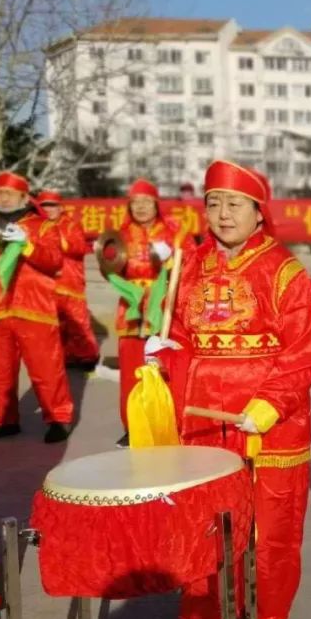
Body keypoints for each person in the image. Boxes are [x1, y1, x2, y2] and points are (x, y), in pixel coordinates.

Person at [145, 160, 311, 619]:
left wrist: (269, 405)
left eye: (234, 205)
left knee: (273, 526)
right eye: (214, 203)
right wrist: (164, 356)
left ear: (258, 213)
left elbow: (304, 353)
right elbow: (179, 332)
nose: (222, 214)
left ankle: (268, 615)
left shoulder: (286, 271)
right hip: (202, 418)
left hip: (269, 421)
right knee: (202, 526)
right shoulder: (189, 264)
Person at [0, 171, 73, 443]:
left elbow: (54, 261)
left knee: (46, 368)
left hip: (34, 307)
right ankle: (3, 420)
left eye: (10, 194)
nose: (4, 198)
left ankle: (58, 418)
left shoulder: (43, 226)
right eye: (0, 193)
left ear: (25, 197)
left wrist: (26, 244)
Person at [110, 179, 188, 447]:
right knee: (132, 373)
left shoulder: (174, 232)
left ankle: (169, 424)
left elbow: (192, 263)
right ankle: (132, 427)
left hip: (164, 310)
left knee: (165, 368)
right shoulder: (119, 235)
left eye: (146, 201)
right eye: (135, 202)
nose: (141, 207)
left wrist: (172, 258)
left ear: (157, 204)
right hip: (131, 313)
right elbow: (107, 268)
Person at [39, 190, 99, 370]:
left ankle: (86, 356)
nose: (48, 209)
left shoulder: (71, 225)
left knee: (78, 322)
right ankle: (61, 356)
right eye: (44, 206)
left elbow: (80, 247)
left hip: (70, 282)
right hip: (47, 284)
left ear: (61, 207)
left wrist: (58, 238)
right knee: (53, 325)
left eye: (52, 205)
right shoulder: (37, 226)